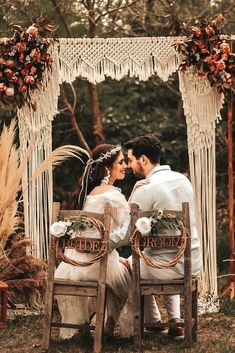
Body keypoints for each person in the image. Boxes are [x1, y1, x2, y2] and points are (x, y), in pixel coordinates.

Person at [123, 134, 202, 339]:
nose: (129, 165)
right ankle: (175, 320)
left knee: (128, 265)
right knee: (158, 254)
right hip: (192, 261)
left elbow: (126, 233)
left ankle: (154, 322)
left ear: (143, 160)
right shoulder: (182, 179)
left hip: (167, 266)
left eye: (130, 160)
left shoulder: (146, 188)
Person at [54, 144, 132, 339]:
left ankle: (88, 325)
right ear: (108, 168)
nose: (126, 166)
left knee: (120, 268)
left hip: (71, 266)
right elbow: (128, 227)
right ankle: (108, 327)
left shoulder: (85, 194)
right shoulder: (113, 195)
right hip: (98, 264)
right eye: (121, 162)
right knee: (130, 281)